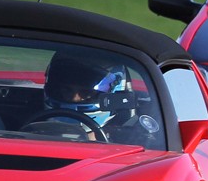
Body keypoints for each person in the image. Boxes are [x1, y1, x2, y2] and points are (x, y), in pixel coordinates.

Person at [32, 53, 160, 143]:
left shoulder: (133, 142)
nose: (74, 99)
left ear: (113, 96)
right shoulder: (30, 130)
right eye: (66, 90)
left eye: (86, 93)